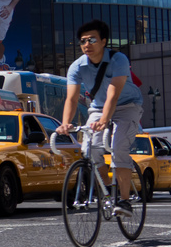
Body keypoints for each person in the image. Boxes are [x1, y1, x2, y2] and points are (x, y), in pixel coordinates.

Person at [57, 19, 145, 218]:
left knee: (119, 146)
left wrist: (105, 120)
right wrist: (65, 123)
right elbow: (71, 98)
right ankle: (108, 190)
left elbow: (114, 94)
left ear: (104, 41)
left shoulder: (119, 59)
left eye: (92, 39)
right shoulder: (77, 66)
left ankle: (124, 200)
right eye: (82, 41)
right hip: (97, 108)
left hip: (128, 106)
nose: (86, 45)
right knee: (89, 149)